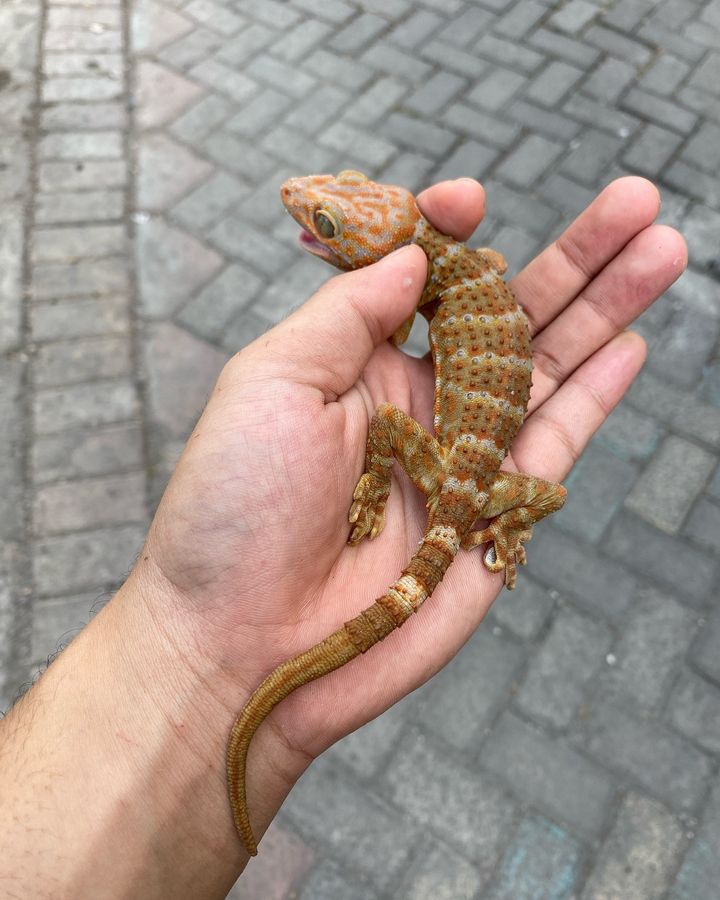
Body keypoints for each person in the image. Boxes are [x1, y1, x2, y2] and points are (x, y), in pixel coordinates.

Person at [0, 177, 686, 897]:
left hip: (452, 473)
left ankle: (406, 509)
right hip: (483, 488)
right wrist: (505, 526)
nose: (301, 201)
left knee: (390, 429)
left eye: (328, 216)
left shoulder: (435, 282)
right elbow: (541, 485)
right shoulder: (460, 271)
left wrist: (372, 491)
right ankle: (506, 527)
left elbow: (391, 414)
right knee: (549, 492)